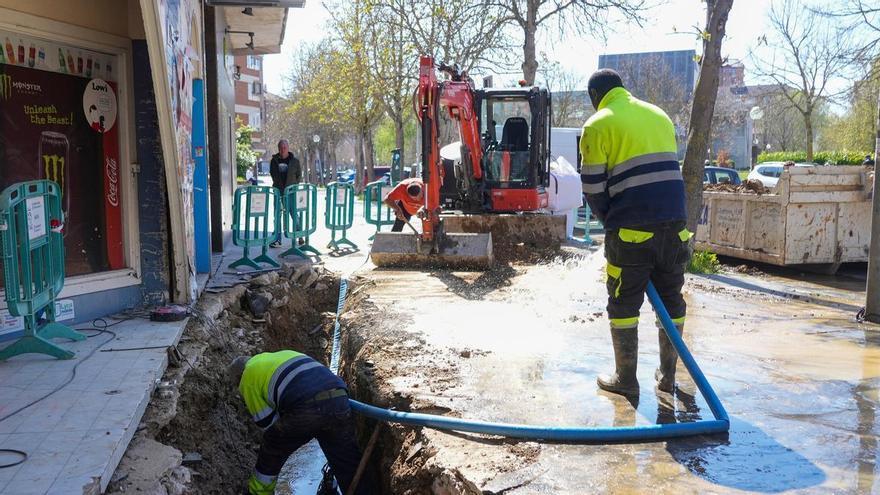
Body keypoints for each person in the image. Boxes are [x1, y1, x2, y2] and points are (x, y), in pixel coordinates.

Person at [579, 69, 691, 396]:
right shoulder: (660, 116)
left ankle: (626, 379)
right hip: (675, 229)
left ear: (595, 97)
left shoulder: (598, 124)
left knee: (624, 305)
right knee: (671, 300)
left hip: (631, 233)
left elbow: (593, 188)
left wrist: (609, 221)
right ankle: (668, 376)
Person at [228, 351, 376, 495]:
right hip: (339, 398)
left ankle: (258, 492)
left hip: (307, 407)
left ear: (239, 376)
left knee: (272, 444)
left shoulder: (247, 377)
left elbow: (267, 423)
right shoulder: (277, 357)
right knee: (346, 461)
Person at [269, 139, 302, 247]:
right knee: (277, 215)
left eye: (284, 147)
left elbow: (299, 175)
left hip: (291, 192)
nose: (282, 150)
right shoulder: (274, 161)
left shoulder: (295, 161)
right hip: (278, 192)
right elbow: (272, 174)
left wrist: (293, 185)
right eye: (281, 148)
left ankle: (299, 234)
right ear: (278, 149)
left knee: (294, 214)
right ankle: (277, 239)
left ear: (288, 148)